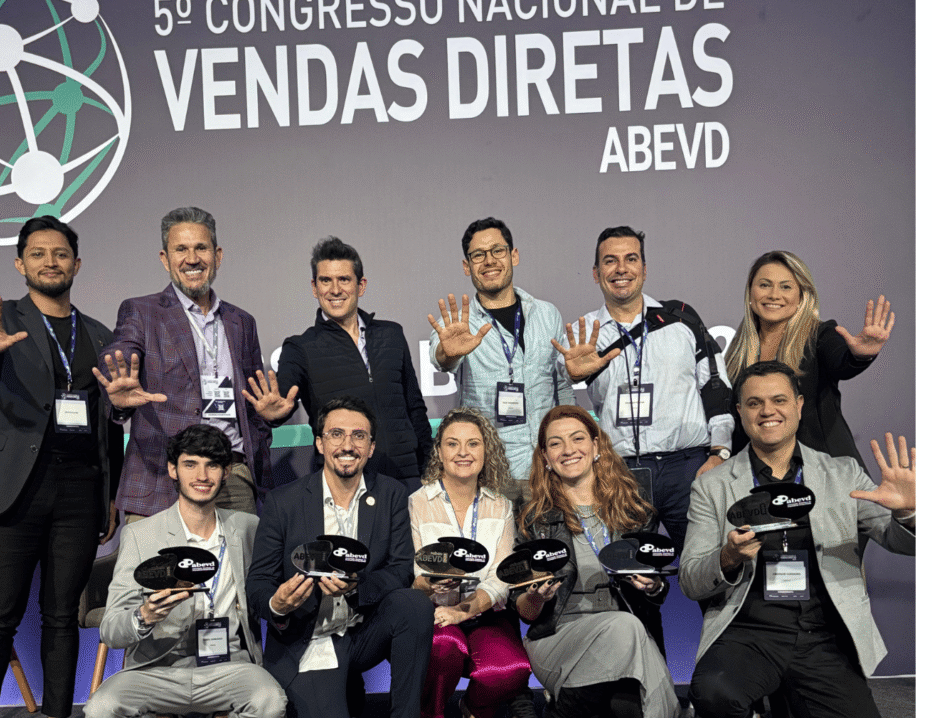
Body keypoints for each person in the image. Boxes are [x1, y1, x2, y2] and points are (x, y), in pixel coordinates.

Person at [0, 215, 122, 718]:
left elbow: (109, 425)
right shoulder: (1, 320)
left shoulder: (100, 334)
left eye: (61, 253)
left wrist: (109, 494)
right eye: (39, 253)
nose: (51, 262)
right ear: (20, 264)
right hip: (14, 489)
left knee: (62, 616)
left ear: (77, 264)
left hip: (79, 490)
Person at [682, 361, 915, 718]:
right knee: (714, 693)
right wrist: (728, 556)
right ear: (740, 411)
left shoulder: (843, 473)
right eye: (755, 403)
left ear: (799, 405)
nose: (768, 411)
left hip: (823, 636)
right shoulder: (711, 486)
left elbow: (901, 542)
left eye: (779, 400)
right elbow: (690, 579)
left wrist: (908, 513)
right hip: (748, 632)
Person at [245, 396, 432, 718]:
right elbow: (258, 583)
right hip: (310, 636)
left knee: (414, 605)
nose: (348, 445)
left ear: (371, 447)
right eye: (336, 434)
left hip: (363, 631)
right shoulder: (284, 502)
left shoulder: (391, 494)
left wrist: (358, 587)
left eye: (359, 436)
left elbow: (401, 569)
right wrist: (278, 604)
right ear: (319, 443)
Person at [84, 424, 285, 718]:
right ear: (173, 469)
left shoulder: (247, 528)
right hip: (157, 669)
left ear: (226, 472)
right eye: (190, 464)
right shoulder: (141, 535)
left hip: (229, 666)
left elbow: (267, 590)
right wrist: (144, 616)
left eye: (212, 465)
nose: (202, 476)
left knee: (270, 701)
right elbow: (111, 630)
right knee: (101, 708)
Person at [554, 225, 733, 554]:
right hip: (620, 473)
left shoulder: (680, 319)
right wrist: (569, 373)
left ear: (645, 269)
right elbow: (558, 390)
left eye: (631, 259)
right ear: (595, 273)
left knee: (707, 568)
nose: (621, 269)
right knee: (630, 574)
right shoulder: (583, 334)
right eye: (610, 261)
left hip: (687, 469)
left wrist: (719, 452)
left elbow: (715, 386)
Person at [95, 206, 270, 519]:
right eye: (181, 249)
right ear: (165, 259)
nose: (192, 259)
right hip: (160, 478)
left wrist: (270, 421)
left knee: (242, 554)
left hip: (230, 477)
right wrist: (117, 391)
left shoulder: (242, 321)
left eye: (201, 248)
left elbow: (256, 403)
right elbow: (121, 353)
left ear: (217, 255)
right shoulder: (142, 311)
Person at [514, 405, 679, 718]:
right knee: (625, 627)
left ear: (596, 445)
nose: (568, 450)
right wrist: (536, 597)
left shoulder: (633, 510)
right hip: (558, 638)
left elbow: (656, 595)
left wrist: (653, 586)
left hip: (630, 639)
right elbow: (524, 610)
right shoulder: (533, 520)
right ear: (545, 457)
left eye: (577, 438)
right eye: (555, 443)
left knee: (628, 706)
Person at [244, 236, 432, 492]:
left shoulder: (392, 334)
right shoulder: (300, 347)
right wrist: (276, 415)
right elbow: (283, 396)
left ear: (360, 285)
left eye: (344, 279)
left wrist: (431, 468)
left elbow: (415, 409)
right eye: (325, 280)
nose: (335, 290)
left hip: (406, 478)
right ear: (314, 287)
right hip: (343, 482)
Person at [428, 217, 574, 490]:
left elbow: (562, 389)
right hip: (491, 475)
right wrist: (448, 353)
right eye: (478, 255)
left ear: (513, 255)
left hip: (549, 470)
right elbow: (441, 359)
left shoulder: (546, 314)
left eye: (497, 251)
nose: (489, 261)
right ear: (466, 266)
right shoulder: (459, 324)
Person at [719, 250, 894, 471]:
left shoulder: (820, 335)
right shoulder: (738, 349)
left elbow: (842, 363)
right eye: (764, 285)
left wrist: (861, 355)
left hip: (827, 471)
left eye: (786, 287)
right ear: (750, 292)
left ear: (802, 295)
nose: (774, 295)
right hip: (760, 475)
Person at [409, 407, 531, 718]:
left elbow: (502, 577)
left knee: (512, 670)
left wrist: (464, 611)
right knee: (443, 648)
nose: (463, 452)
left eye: (473, 443)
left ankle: (473, 708)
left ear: (486, 451)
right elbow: (414, 576)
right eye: (452, 444)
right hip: (434, 614)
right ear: (439, 452)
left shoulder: (501, 505)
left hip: (484, 612)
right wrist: (432, 585)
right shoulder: (417, 503)